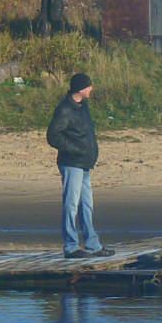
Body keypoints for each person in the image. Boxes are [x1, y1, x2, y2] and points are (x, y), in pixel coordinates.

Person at [46, 72, 114, 259]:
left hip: (85, 164)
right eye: (89, 86)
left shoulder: (83, 106)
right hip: (71, 163)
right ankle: (71, 246)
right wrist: (75, 149)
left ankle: (92, 245)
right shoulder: (65, 109)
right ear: (81, 88)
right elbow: (53, 136)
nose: (92, 89)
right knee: (71, 205)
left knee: (86, 205)